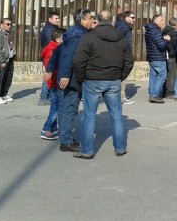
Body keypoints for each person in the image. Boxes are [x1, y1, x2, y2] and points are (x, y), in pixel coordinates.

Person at [73, 10, 134, 158]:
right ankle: (120, 147)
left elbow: (79, 60)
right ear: (111, 20)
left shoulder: (89, 37)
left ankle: (87, 150)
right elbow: (129, 61)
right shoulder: (121, 38)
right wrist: (120, 76)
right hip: (113, 79)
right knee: (117, 115)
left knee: (89, 115)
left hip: (92, 79)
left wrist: (81, 79)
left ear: (97, 20)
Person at [46, 8, 95, 153]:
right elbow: (69, 56)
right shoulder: (78, 35)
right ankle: (66, 141)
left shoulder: (72, 32)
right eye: (89, 17)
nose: (92, 20)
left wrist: (50, 68)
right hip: (71, 79)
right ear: (82, 20)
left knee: (64, 108)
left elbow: (57, 52)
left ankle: (64, 137)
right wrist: (66, 75)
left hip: (67, 76)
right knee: (69, 109)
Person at [39, 28, 65, 140]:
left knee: (55, 105)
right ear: (59, 39)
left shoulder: (52, 48)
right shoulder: (53, 50)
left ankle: (53, 129)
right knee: (56, 107)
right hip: (55, 81)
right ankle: (47, 128)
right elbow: (52, 68)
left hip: (54, 81)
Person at [0, 18, 16, 105]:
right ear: (1, 25)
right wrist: (2, 60)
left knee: (8, 77)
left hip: (9, 58)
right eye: (7, 24)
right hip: (0, 59)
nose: (10, 26)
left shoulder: (6, 34)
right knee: (0, 77)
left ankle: (3, 94)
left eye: (10, 24)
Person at [145, 15, 170, 103]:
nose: (163, 22)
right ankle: (155, 95)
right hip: (158, 57)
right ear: (156, 21)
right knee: (162, 75)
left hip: (152, 57)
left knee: (153, 76)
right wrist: (166, 40)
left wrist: (162, 39)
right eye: (161, 20)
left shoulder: (150, 30)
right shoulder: (156, 31)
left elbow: (155, 42)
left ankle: (152, 95)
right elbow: (161, 45)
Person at [38, 11, 60, 105]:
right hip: (50, 55)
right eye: (56, 18)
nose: (58, 20)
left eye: (58, 18)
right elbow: (49, 44)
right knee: (49, 75)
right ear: (50, 19)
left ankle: (48, 97)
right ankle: (43, 98)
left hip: (51, 54)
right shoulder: (49, 30)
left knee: (51, 75)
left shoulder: (53, 28)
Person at [115, 10, 136, 104]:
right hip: (123, 54)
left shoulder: (122, 26)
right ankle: (121, 97)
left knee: (121, 76)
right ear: (126, 18)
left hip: (122, 54)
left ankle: (121, 96)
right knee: (122, 76)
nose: (134, 19)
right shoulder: (123, 27)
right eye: (132, 17)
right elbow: (118, 39)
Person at [162, 18, 177, 99]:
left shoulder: (163, 31)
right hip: (172, 55)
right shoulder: (173, 33)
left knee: (165, 74)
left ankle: (163, 91)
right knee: (172, 74)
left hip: (164, 55)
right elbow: (175, 44)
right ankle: (170, 92)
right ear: (175, 24)